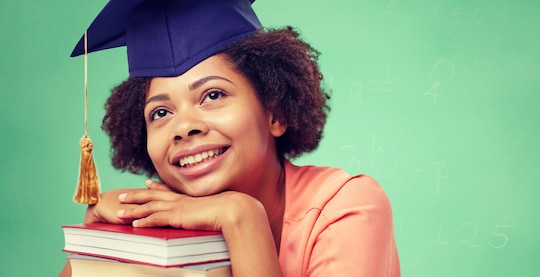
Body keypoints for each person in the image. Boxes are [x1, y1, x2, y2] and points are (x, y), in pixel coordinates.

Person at [61, 0, 400, 276]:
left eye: (213, 95)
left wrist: (241, 219)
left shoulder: (347, 206)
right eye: (161, 113)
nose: (183, 127)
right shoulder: (155, 231)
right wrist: (103, 243)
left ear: (275, 112)